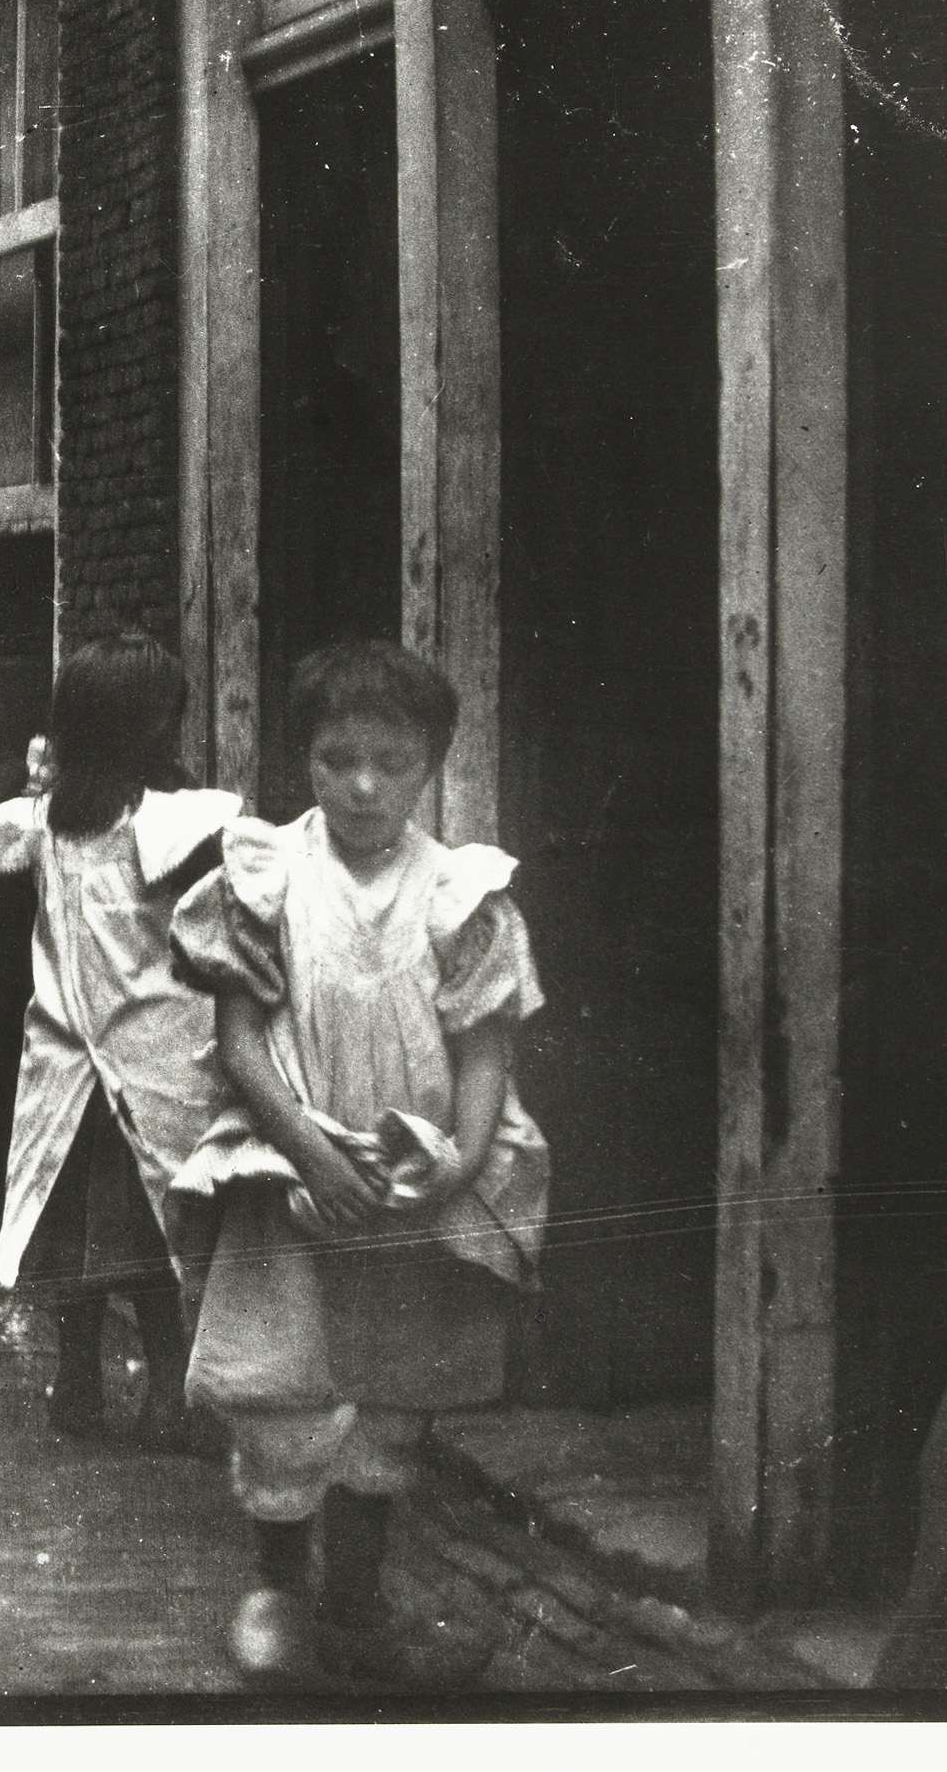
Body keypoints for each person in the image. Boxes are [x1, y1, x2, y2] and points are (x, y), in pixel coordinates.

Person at [166, 639, 551, 1687]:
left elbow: (483, 1049)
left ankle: (356, 1597)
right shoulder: (267, 876)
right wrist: (306, 1149)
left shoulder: (460, 891)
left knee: (392, 1382)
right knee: (283, 1385)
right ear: (306, 760)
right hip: (294, 1163)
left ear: (432, 762)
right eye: (339, 761)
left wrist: (457, 1164)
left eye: (392, 761)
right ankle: (277, 1587)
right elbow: (241, 1038)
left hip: (410, 1174)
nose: (365, 785)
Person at [0, 637, 239, 1453]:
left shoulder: (47, 822)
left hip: (68, 1066)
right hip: (150, 1062)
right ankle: (170, 1389)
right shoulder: (170, 825)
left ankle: (77, 1379)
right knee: (153, 1240)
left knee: (74, 1236)